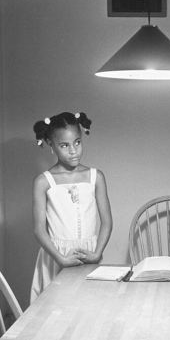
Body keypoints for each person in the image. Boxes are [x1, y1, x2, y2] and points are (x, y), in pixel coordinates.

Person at [30, 112, 113, 303]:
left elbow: (107, 222)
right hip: (56, 256)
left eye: (77, 142)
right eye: (64, 145)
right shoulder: (43, 182)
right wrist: (60, 258)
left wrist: (97, 252)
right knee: (53, 309)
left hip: (89, 255)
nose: (73, 150)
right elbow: (39, 229)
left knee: (89, 309)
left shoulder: (95, 176)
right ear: (51, 144)